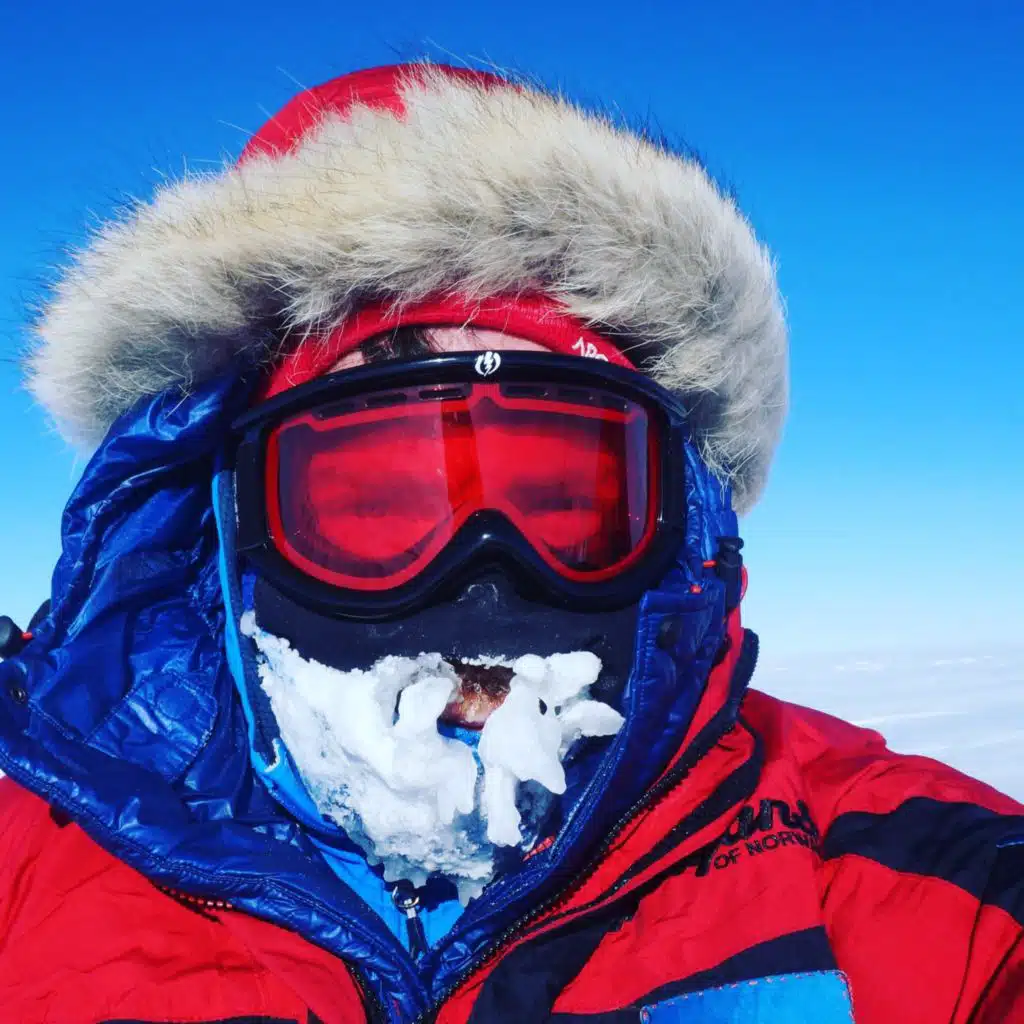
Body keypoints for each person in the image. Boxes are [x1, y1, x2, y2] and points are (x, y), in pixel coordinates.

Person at [0, 62, 1020, 1024]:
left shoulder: (901, 873)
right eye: (375, 501)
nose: (482, 582)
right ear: (234, 529)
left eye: (564, 500)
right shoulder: (29, 874)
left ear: (679, 522)